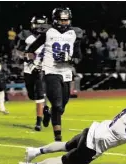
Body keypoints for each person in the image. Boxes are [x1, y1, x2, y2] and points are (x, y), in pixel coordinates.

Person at [26, 7, 83, 141]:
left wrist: (71, 59)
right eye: (62, 20)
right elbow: (30, 49)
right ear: (56, 20)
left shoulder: (74, 34)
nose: (64, 22)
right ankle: (58, 137)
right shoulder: (48, 32)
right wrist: (33, 64)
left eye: (66, 20)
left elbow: (79, 57)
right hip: (50, 70)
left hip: (66, 72)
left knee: (61, 107)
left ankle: (48, 113)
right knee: (57, 105)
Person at [22, 15, 48, 131]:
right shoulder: (27, 35)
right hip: (29, 68)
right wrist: (28, 59)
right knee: (32, 95)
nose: (39, 27)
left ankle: (39, 121)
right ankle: (45, 109)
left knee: (39, 94)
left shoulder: (50, 36)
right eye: (37, 24)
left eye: (41, 24)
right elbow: (20, 52)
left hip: (43, 68)